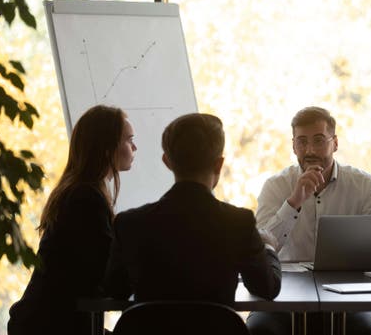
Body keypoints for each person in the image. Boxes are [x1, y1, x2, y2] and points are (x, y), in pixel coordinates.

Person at [251, 106, 371, 335]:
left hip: (347, 296)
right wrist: (294, 202)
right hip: (282, 293)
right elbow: (263, 244)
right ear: (293, 146)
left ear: (335, 143)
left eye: (318, 139)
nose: (310, 149)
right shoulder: (275, 186)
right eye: (302, 141)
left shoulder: (364, 185)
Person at [6, 105, 136, 335]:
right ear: (107, 148)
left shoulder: (78, 193)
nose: (134, 147)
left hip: (42, 333)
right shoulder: (86, 201)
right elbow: (104, 280)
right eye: (128, 139)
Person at [104, 113, 281, 306]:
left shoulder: (130, 224)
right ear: (219, 164)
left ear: (167, 161)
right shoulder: (239, 222)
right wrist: (269, 247)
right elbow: (267, 288)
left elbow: (116, 289)